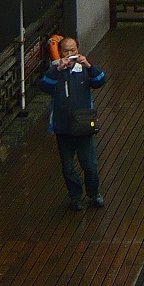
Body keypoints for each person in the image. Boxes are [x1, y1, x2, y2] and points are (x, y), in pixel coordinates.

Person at [38, 37, 107, 211]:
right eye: (66, 51)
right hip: (63, 126)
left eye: (73, 51)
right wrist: (57, 70)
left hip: (84, 126)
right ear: (60, 53)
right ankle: (75, 196)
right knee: (68, 167)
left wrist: (89, 66)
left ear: (78, 51)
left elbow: (100, 81)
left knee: (89, 165)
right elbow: (45, 87)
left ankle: (94, 193)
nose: (70, 55)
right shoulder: (55, 71)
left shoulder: (83, 70)